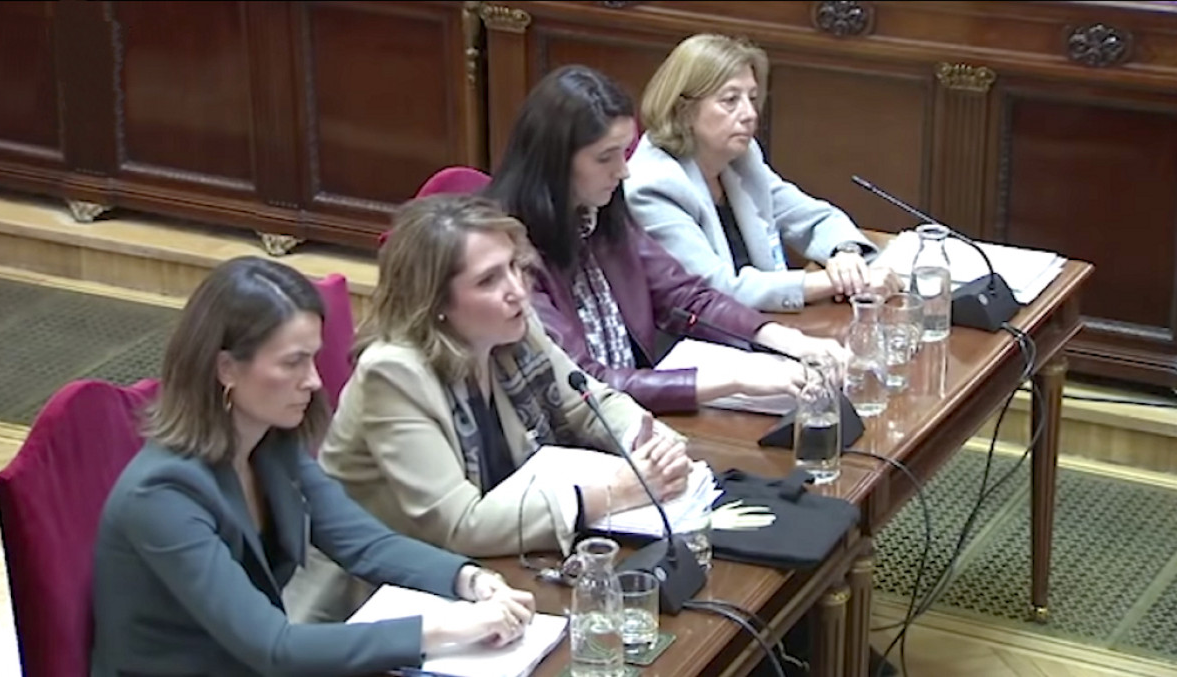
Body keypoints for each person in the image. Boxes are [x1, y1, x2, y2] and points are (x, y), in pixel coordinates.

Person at [90, 256, 535, 677]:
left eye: (312, 358)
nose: (314, 380)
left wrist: (469, 579)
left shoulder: (270, 444)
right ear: (226, 368)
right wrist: (447, 629)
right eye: (293, 363)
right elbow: (274, 646)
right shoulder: (162, 494)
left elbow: (365, 544)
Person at [286, 195, 691, 623]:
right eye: (488, 280)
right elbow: (459, 525)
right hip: (372, 599)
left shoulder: (513, 328)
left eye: (514, 266)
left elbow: (591, 403)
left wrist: (650, 446)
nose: (517, 290)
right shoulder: (393, 373)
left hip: (491, 571)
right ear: (436, 302)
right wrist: (608, 495)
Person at [482, 64, 848, 415]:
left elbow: (685, 296)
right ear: (555, 161)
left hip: (634, 412)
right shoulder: (506, 254)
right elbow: (583, 381)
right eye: (606, 157)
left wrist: (788, 340)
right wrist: (734, 380)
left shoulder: (596, 213)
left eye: (624, 152)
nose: (623, 171)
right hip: (581, 429)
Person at [625, 33, 901, 313]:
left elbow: (814, 217)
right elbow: (715, 289)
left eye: (752, 98)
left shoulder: (739, 159)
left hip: (760, 323)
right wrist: (833, 282)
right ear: (683, 109)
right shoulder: (654, 186)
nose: (750, 114)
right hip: (697, 333)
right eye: (730, 100)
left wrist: (846, 254)